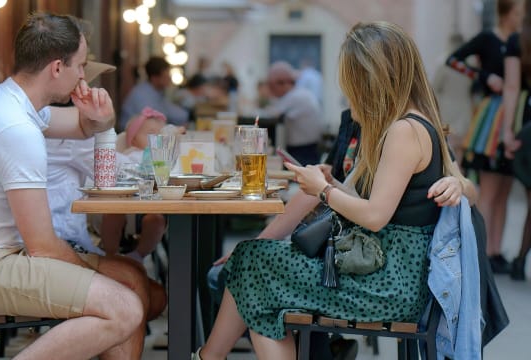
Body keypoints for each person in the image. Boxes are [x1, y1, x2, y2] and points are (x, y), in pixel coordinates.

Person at [194, 21, 471, 359]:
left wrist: (324, 190)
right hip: (386, 271)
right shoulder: (414, 123)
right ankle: (209, 357)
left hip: (385, 283)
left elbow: (375, 216)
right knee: (254, 274)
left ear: (368, 80)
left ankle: (207, 356)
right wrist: (333, 187)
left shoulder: (403, 131)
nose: (347, 91)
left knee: (251, 263)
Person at [0, 13, 154, 359]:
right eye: (81, 65)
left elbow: (82, 125)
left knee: (131, 279)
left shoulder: (10, 101)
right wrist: (95, 279)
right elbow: (43, 247)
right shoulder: (14, 128)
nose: (84, 75)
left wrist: (103, 117)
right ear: (57, 68)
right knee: (125, 305)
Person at [445, 0, 524, 273]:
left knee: (503, 189)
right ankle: (483, 251)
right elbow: (453, 60)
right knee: (489, 190)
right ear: (505, 13)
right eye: (517, 13)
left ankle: (496, 250)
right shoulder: (487, 38)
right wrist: (484, 76)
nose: (520, 17)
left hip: (511, 114)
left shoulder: (519, 40)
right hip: (491, 118)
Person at [98, 107, 183, 262]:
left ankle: (138, 255)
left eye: (160, 135)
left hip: (153, 205)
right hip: (124, 203)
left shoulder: (164, 159)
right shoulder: (129, 155)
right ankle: (110, 255)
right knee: (111, 216)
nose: (156, 139)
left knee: (156, 221)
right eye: (151, 134)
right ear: (133, 139)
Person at [502, 0, 531, 281]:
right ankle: (520, 260)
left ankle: (521, 260)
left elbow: (511, 87)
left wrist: (507, 132)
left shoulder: (518, 40)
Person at [260, 61, 324, 166]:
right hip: (307, 150)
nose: (271, 90)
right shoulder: (300, 93)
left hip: (303, 154)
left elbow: (271, 115)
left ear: (281, 83)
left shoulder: (294, 97)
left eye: (271, 86)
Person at [120, 56, 189, 129]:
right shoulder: (143, 94)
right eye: (166, 76)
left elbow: (177, 114)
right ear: (154, 78)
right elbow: (154, 123)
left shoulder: (157, 92)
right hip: (131, 137)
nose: (169, 78)